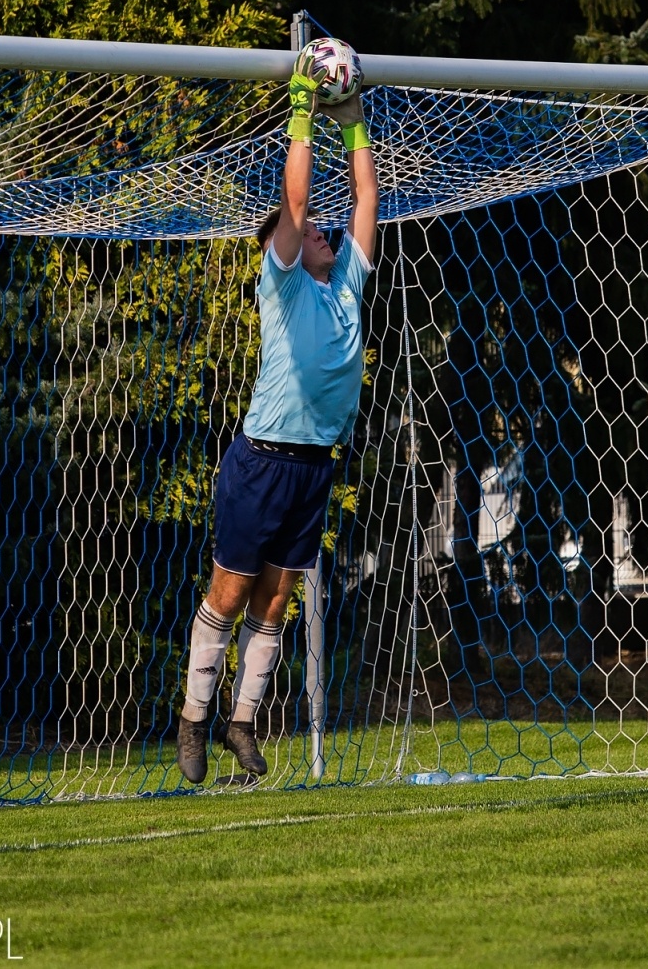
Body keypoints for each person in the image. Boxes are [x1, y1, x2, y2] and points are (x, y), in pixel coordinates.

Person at [176, 47, 380, 783]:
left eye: (324, 233)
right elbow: (295, 209)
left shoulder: (348, 285)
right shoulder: (284, 284)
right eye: (304, 233)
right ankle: (195, 715)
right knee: (230, 593)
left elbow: (364, 202)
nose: (319, 231)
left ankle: (242, 721)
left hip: (314, 466)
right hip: (261, 458)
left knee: (279, 596)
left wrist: (354, 123)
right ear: (280, 253)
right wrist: (301, 110)